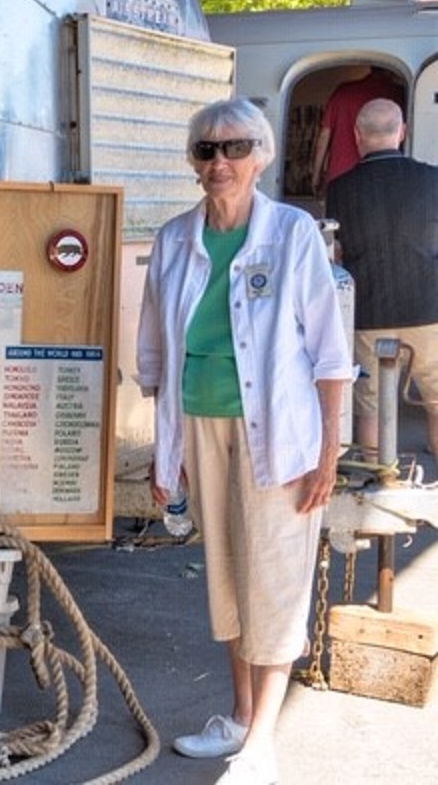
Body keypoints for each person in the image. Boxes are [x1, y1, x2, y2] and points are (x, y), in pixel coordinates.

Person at [136, 98, 352, 785]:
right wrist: (164, 449)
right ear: (193, 163)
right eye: (206, 151)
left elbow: (330, 355)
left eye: (234, 149)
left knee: (276, 581)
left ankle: (262, 741)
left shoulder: (291, 234)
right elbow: (155, 354)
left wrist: (328, 456)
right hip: (202, 428)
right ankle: (235, 715)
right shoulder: (174, 238)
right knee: (227, 577)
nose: (219, 162)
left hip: (282, 438)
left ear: (258, 156)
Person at [326, 97, 438, 458]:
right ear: (402, 132)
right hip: (429, 310)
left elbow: (337, 253)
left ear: (358, 135)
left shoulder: (340, 189)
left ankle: (378, 485)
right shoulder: (433, 179)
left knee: (370, 406)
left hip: (368, 313)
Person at [310, 66, 404, 196]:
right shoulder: (398, 93)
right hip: (382, 179)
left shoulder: (343, 92)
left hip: (339, 176)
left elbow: (324, 136)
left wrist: (316, 176)